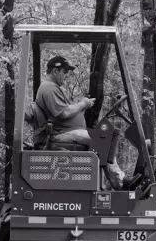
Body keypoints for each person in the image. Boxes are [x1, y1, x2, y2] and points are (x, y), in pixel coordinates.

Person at [35, 55, 130, 189]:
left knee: (107, 137)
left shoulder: (52, 88)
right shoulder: (49, 88)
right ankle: (120, 182)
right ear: (55, 71)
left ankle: (114, 182)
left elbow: (65, 111)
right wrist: (83, 104)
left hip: (66, 131)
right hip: (61, 133)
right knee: (104, 139)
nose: (66, 75)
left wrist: (84, 105)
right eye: (64, 71)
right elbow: (64, 113)